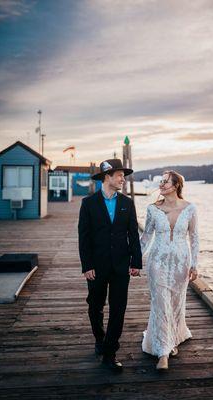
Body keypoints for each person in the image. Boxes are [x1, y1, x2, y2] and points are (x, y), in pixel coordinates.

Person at [78, 158, 142, 372]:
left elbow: (133, 234)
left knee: (119, 309)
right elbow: (84, 238)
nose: (123, 179)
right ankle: (99, 338)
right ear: (107, 176)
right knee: (95, 306)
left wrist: (136, 262)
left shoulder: (127, 203)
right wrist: (87, 265)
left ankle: (110, 353)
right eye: (120, 175)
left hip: (121, 266)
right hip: (96, 266)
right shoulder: (88, 203)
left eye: (124, 176)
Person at [140, 170, 199, 370]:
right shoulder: (153, 209)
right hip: (157, 261)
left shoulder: (190, 208)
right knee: (161, 302)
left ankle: (173, 335)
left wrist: (194, 265)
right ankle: (163, 352)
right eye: (161, 182)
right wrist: (134, 260)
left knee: (175, 302)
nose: (161, 185)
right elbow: (146, 237)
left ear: (175, 186)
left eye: (165, 182)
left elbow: (195, 238)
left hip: (181, 263)